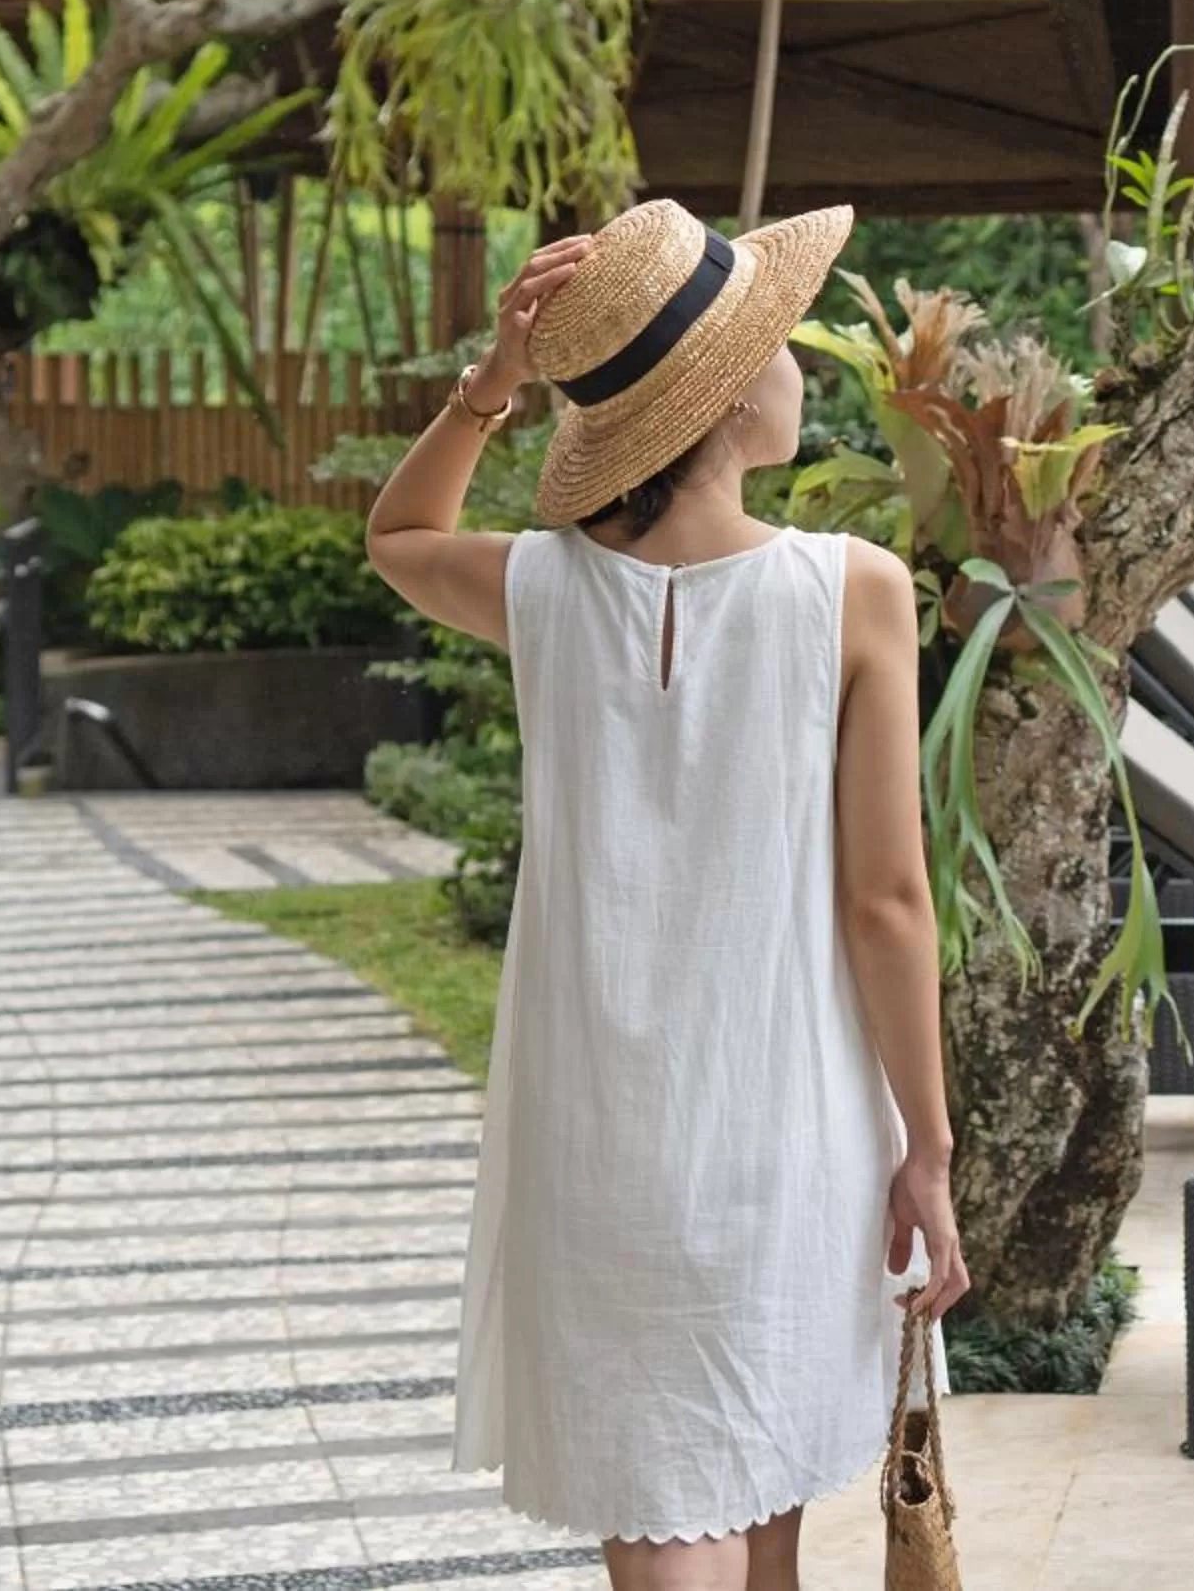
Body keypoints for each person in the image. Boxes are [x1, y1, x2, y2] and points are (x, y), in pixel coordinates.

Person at [364, 198, 969, 1591]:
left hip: (598, 1138)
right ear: (738, 392)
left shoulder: (538, 589)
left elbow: (399, 537)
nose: (801, 364)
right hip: (792, 1122)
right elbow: (887, 901)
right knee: (757, 1510)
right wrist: (927, 1148)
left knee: (674, 1492)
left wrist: (487, 392)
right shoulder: (854, 591)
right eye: (785, 339)